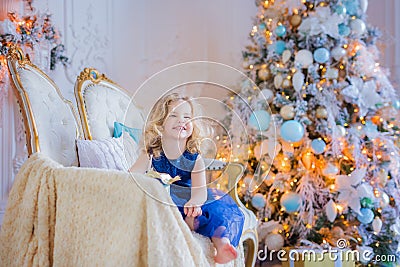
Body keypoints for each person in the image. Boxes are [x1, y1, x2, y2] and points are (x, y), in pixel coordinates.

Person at [129, 93, 245, 264]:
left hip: (189, 200)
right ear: (161, 123)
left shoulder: (193, 157)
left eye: (187, 117)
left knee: (217, 209)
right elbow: (132, 176)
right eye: (174, 115)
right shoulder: (153, 152)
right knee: (183, 217)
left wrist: (195, 203)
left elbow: (199, 190)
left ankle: (222, 245)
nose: (181, 120)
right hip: (164, 199)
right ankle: (190, 222)